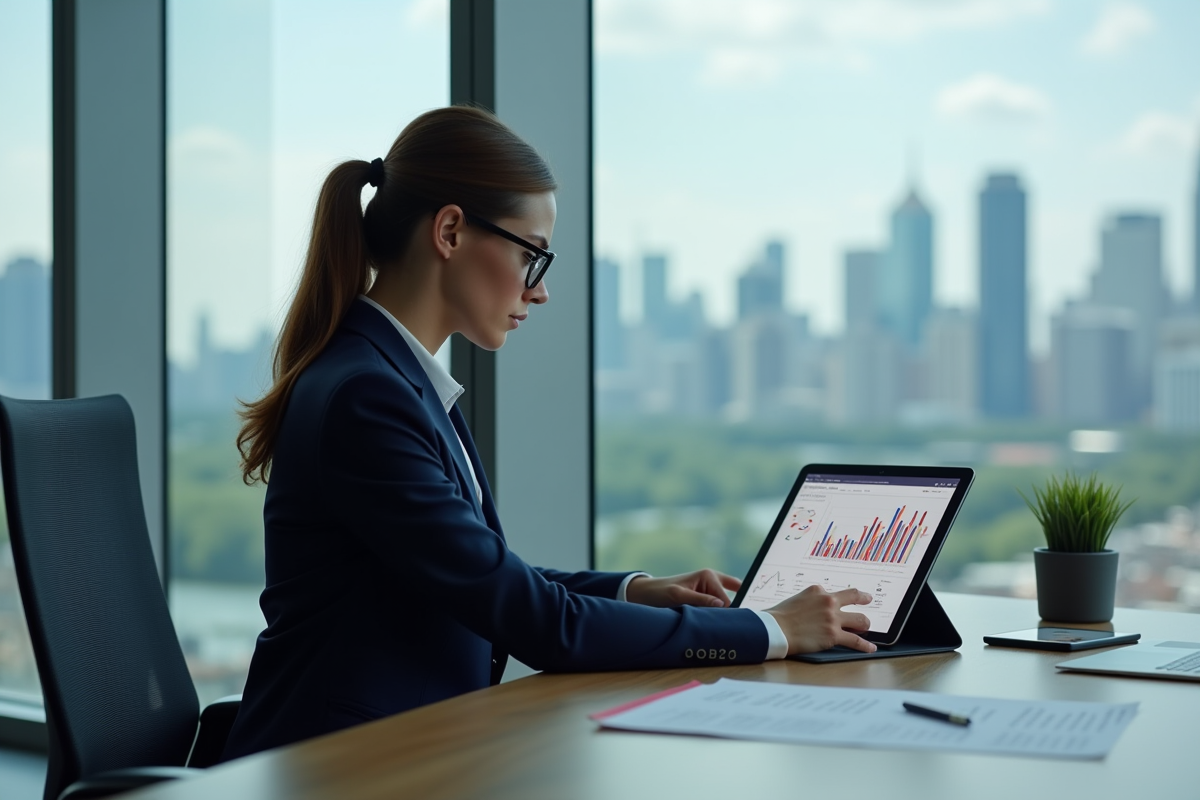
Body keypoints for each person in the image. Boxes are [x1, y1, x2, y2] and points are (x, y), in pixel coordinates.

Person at [222, 106, 875, 760]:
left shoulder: (391, 380)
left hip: (403, 750)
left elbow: (482, 576)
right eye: (532, 255)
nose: (541, 291)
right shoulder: (368, 398)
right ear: (450, 230)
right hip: (340, 768)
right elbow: (538, 623)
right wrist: (767, 630)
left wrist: (636, 590)